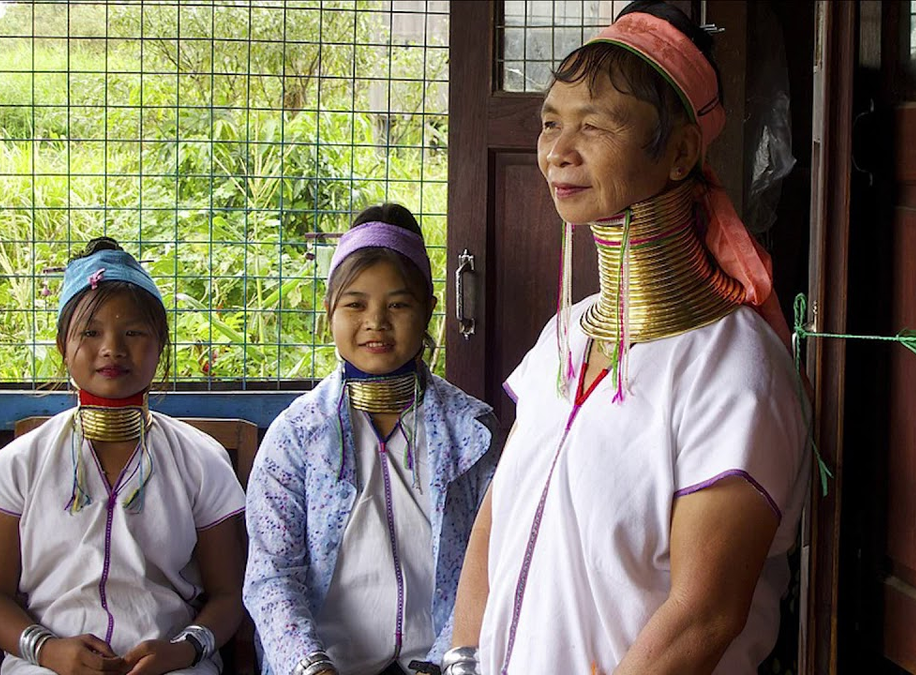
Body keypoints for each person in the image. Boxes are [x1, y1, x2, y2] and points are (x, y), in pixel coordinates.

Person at [445, 2, 811, 674]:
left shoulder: (734, 370)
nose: (558, 150)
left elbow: (704, 617)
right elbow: (497, 521)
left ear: (678, 153)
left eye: (594, 125)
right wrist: (464, 658)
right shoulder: (564, 334)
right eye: (551, 123)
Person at [0, 237, 247, 675]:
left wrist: (184, 650)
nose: (112, 348)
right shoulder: (18, 465)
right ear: (63, 345)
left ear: (160, 346)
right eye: (90, 332)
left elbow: (229, 595)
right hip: (46, 666)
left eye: (134, 332)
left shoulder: (202, 461)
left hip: (174, 665)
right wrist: (48, 651)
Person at [244, 204, 500, 675]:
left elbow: (492, 564)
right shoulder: (297, 438)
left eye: (398, 304)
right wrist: (311, 666)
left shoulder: (471, 433)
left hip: (444, 662)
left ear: (428, 311)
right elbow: (272, 578)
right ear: (329, 312)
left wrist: (453, 660)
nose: (376, 322)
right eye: (355, 304)